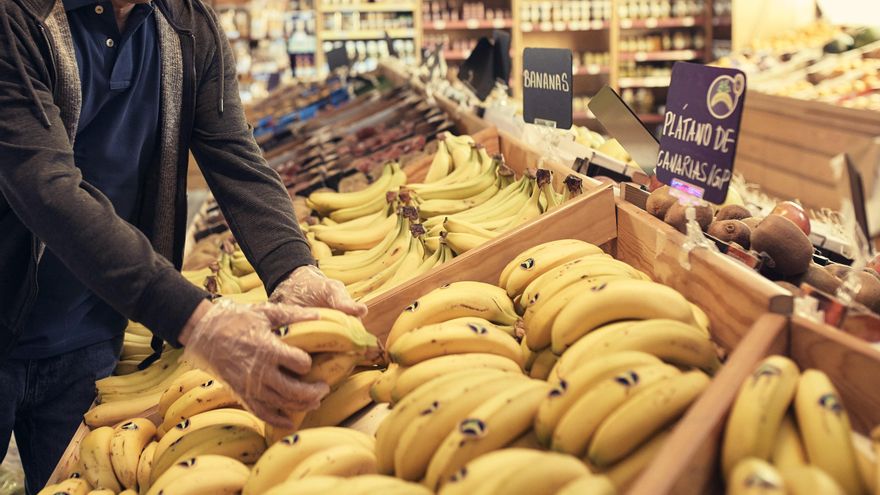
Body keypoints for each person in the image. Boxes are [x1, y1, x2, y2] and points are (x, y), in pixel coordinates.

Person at [0, 0, 367, 490]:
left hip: (89, 336)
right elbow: (45, 187)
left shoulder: (188, 25)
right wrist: (200, 321)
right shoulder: (16, 18)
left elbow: (234, 153)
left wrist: (293, 268)